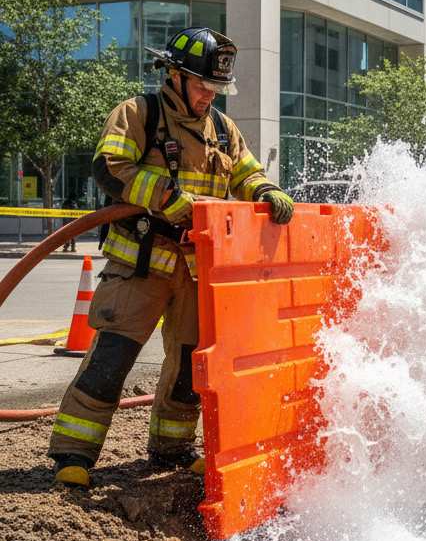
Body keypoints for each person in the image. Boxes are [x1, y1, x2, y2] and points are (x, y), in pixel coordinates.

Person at [48, 27, 295, 488]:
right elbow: (110, 168)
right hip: (140, 264)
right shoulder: (139, 113)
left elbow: (247, 173)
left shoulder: (222, 129)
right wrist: (168, 198)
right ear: (175, 76)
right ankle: (72, 455)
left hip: (194, 272)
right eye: (202, 86)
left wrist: (265, 191)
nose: (208, 96)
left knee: (187, 369)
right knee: (112, 359)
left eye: (216, 88)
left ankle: (171, 450)